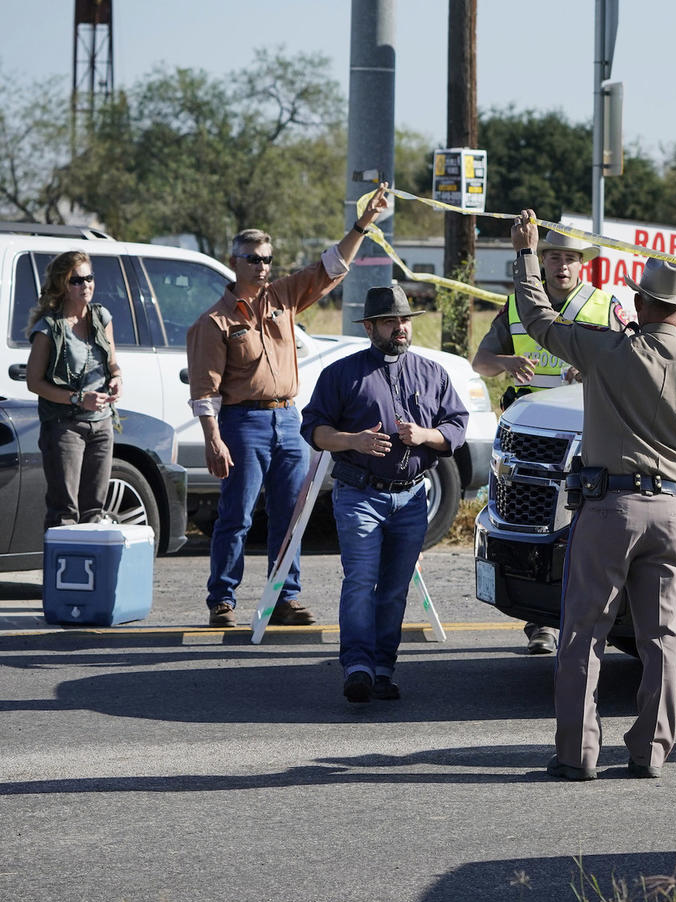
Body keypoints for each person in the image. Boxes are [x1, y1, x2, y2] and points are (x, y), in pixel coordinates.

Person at [510, 209, 676, 781]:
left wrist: (525, 254)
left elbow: (539, 320)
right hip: (672, 513)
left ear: (639, 304)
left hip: (609, 510)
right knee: (663, 637)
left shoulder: (606, 351)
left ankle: (577, 754)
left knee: (583, 632)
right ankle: (650, 752)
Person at [187, 183, 391, 628]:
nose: (262, 267)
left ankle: (284, 597)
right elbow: (206, 390)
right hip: (243, 422)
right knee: (237, 515)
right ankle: (222, 598)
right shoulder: (215, 322)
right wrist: (213, 439)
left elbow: (330, 266)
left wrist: (364, 223)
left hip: (288, 417)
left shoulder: (282, 297)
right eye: (253, 259)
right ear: (234, 262)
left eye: (267, 260)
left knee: (292, 515)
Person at [301, 283, 468, 703]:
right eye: (390, 321)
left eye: (405, 320)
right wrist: (352, 441)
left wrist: (426, 434)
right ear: (370, 327)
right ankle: (356, 666)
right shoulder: (341, 374)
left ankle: (382, 669)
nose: (400, 328)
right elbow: (314, 430)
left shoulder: (433, 374)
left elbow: (457, 429)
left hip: (412, 498)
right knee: (361, 581)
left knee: (394, 588)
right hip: (359, 494)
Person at [472, 227, 626, 656]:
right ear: (541, 262)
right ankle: (541, 623)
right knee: (539, 533)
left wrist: (593, 370)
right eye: (554, 257)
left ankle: (594, 621)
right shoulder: (517, 304)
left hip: (589, 431)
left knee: (591, 532)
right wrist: (505, 361)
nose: (561, 266)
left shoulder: (604, 306)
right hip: (532, 440)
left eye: (570, 259)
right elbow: (480, 363)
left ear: (584, 264)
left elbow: (629, 363)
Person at [24, 251, 123, 528]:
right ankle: (62, 571)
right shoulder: (49, 329)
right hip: (64, 426)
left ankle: (91, 571)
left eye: (89, 278)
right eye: (76, 280)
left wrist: (117, 379)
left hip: (101, 424)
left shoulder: (101, 316)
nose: (85, 285)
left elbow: (113, 363)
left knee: (94, 510)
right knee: (64, 512)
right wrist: (78, 398)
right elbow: (35, 383)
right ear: (63, 285)